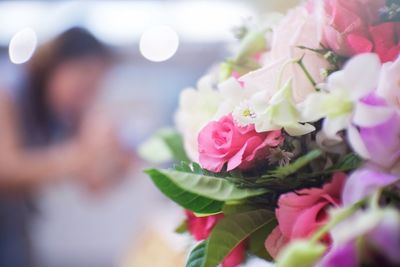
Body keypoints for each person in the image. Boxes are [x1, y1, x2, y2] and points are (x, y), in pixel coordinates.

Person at [0, 27, 132, 267]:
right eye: (82, 77)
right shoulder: (7, 91)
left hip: (18, 229)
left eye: (95, 85)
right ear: (53, 65)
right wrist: (83, 155)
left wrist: (118, 160)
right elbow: (5, 169)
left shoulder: (65, 110)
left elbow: (94, 184)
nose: (87, 93)